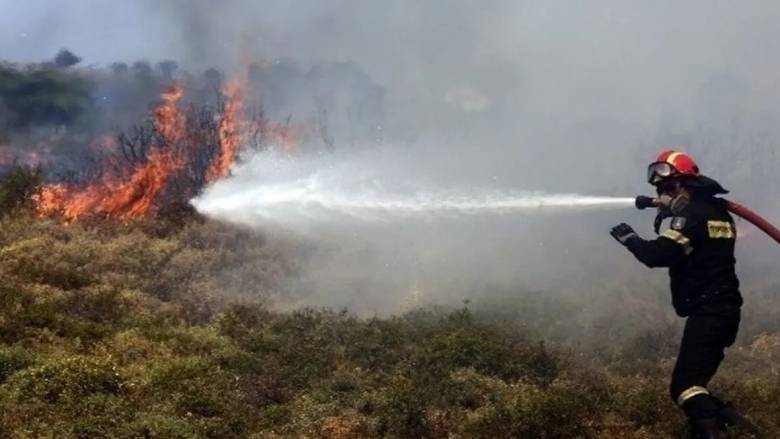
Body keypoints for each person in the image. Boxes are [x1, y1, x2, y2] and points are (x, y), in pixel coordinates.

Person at [610, 150, 743, 439]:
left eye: (669, 188)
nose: (664, 195)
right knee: (695, 384)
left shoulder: (692, 216)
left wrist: (630, 239)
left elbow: (659, 254)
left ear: (688, 185)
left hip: (710, 311)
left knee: (684, 387)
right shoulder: (717, 213)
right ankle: (743, 428)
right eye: (660, 191)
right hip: (722, 310)